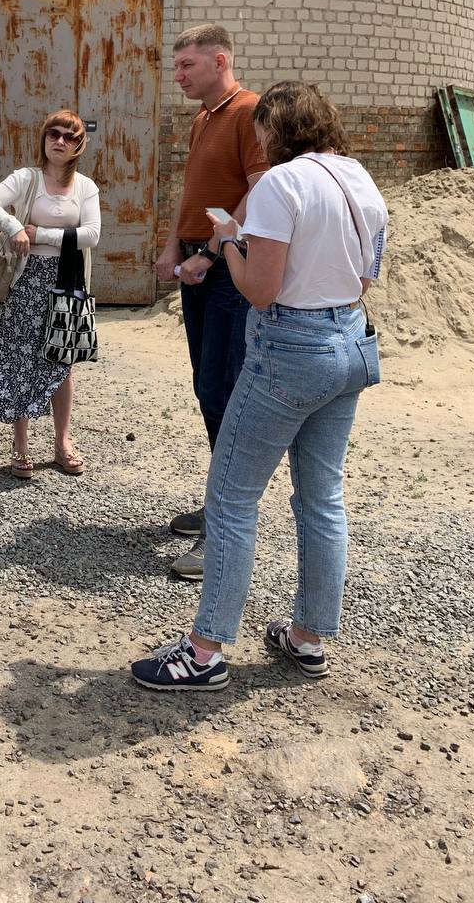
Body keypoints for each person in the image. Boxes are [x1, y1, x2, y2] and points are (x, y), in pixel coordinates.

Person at [132, 81, 388, 692]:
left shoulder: (280, 183)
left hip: (290, 348)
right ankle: (309, 636)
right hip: (350, 340)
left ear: (275, 129)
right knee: (322, 498)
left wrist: (227, 240)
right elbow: (366, 276)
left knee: (230, 498)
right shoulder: (360, 179)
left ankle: (204, 651)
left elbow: (260, 290)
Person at [154, 24, 268, 580]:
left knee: (224, 389)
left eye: (187, 66)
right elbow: (193, 192)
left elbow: (260, 187)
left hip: (226, 269)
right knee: (207, 387)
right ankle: (219, 502)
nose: (178, 76)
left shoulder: (249, 112)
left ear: (220, 61)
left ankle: (225, 525)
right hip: (198, 264)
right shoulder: (203, 117)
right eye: (176, 66)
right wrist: (174, 243)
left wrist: (213, 252)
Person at [0, 110, 101, 477]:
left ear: (79, 145)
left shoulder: (85, 187)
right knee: (22, 359)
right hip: (28, 280)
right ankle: (20, 446)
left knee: (62, 362)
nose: (59, 141)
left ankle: (62, 443)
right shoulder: (26, 178)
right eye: (53, 134)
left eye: (69, 136)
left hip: (68, 281)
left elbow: (92, 234)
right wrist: (14, 226)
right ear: (44, 138)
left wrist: (42, 234)